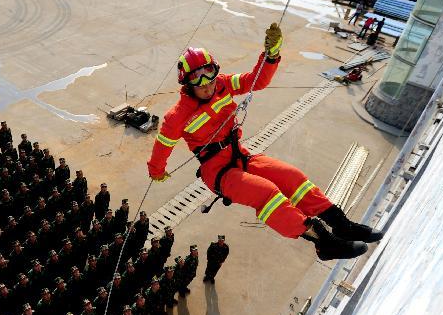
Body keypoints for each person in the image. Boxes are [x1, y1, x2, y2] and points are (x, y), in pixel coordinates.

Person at [146, 24, 382, 260]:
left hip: (241, 156)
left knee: (292, 177)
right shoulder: (177, 116)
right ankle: (323, 242)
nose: (207, 84)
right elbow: (162, 147)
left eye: (209, 74)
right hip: (218, 172)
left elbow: (255, 80)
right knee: (268, 194)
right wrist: (157, 171)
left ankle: (342, 224)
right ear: (187, 83)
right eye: (199, 79)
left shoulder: (222, 85)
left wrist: (271, 56)